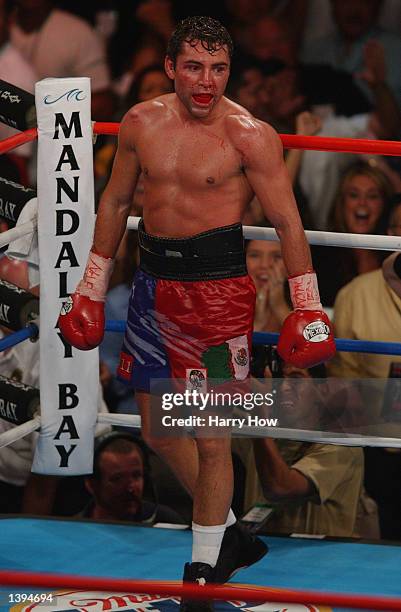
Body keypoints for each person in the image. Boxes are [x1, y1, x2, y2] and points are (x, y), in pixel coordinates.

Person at [58, 16, 335, 610]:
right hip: (153, 287)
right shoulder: (140, 123)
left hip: (216, 296)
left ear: (228, 71)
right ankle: (230, 532)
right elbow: (115, 199)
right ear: (170, 68)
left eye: (217, 68)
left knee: (211, 436)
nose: (206, 81)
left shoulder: (250, 134)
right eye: (194, 67)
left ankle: (204, 569)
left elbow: (287, 221)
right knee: (159, 426)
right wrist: (89, 288)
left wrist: (307, 306)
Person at [233, 361, 366, 538]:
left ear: (322, 390)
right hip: (259, 558)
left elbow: (280, 488)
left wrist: (260, 417)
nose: (283, 388)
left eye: (296, 380)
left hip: (319, 562)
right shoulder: (256, 426)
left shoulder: (341, 447)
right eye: (277, 379)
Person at [312, 161, 394, 306]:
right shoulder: (320, 253)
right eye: (354, 195)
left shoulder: (393, 254)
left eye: (372, 196)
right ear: (342, 203)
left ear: (384, 204)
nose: (362, 203)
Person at [80, 431, 186, 525]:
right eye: (117, 479)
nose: (130, 488)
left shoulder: (168, 524)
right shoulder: (72, 530)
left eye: (136, 475)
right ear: (91, 484)